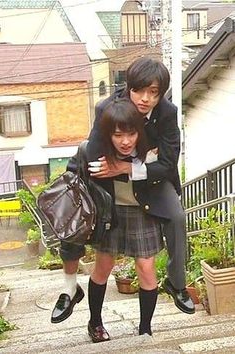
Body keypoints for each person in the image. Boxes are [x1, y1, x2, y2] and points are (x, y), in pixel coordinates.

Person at [86, 56, 195, 319]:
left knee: (177, 217)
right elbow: (92, 153)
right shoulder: (108, 108)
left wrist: (129, 167)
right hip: (113, 190)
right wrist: (119, 162)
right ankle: (74, 297)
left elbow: (169, 165)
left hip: (153, 182)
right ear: (129, 87)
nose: (145, 98)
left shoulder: (167, 113)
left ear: (161, 94)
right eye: (139, 90)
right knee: (103, 261)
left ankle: (176, 283)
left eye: (153, 93)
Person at [87, 97, 164, 342]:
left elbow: (167, 170)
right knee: (103, 266)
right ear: (109, 135)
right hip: (111, 211)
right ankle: (95, 323)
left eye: (131, 134)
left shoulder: (152, 147)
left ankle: (145, 328)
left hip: (143, 210)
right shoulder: (98, 152)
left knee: (146, 267)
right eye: (118, 135)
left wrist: (128, 167)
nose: (125, 141)